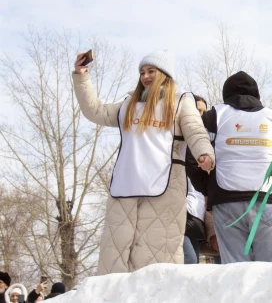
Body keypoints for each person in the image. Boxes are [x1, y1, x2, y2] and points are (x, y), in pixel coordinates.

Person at [72, 49, 215, 274]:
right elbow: (96, 111)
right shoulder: (129, 103)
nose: (146, 76)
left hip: (165, 183)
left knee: (159, 251)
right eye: (142, 72)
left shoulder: (180, 101)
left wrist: (204, 154)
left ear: (165, 74)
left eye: (151, 71)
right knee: (117, 249)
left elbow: (196, 131)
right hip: (126, 183)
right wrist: (82, 75)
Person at [185, 71, 272, 263]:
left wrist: (206, 190)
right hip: (270, 203)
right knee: (269, 270)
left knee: (235, 270)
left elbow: (192, 155)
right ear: (256, 96)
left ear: (226, 96)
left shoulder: (213, 116)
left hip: (227, 203)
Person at [182, 95, 208, 264]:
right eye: (196, 110)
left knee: (194, 264)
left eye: (202, 112)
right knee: (189, 261)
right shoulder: (176, 140)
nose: (199, 115)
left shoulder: (207, 144)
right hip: (177, 212)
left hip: (197, 217)